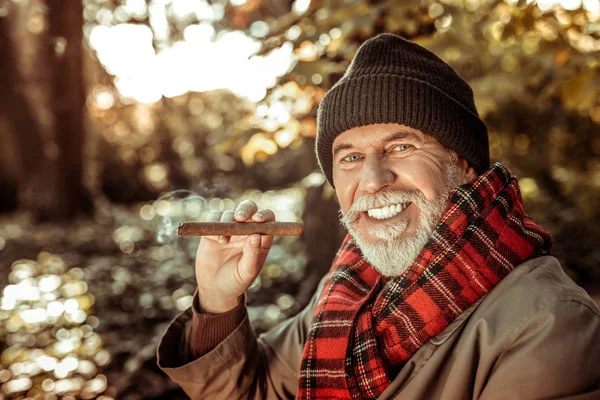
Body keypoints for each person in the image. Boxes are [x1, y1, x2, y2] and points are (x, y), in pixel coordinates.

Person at [156, 34, 600, 399]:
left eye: (401, 146)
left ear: (462, 163)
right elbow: (254, 391)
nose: (371, 180)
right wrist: (217, 301)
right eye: (348, 157)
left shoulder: (548, 323)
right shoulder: (349, 290)